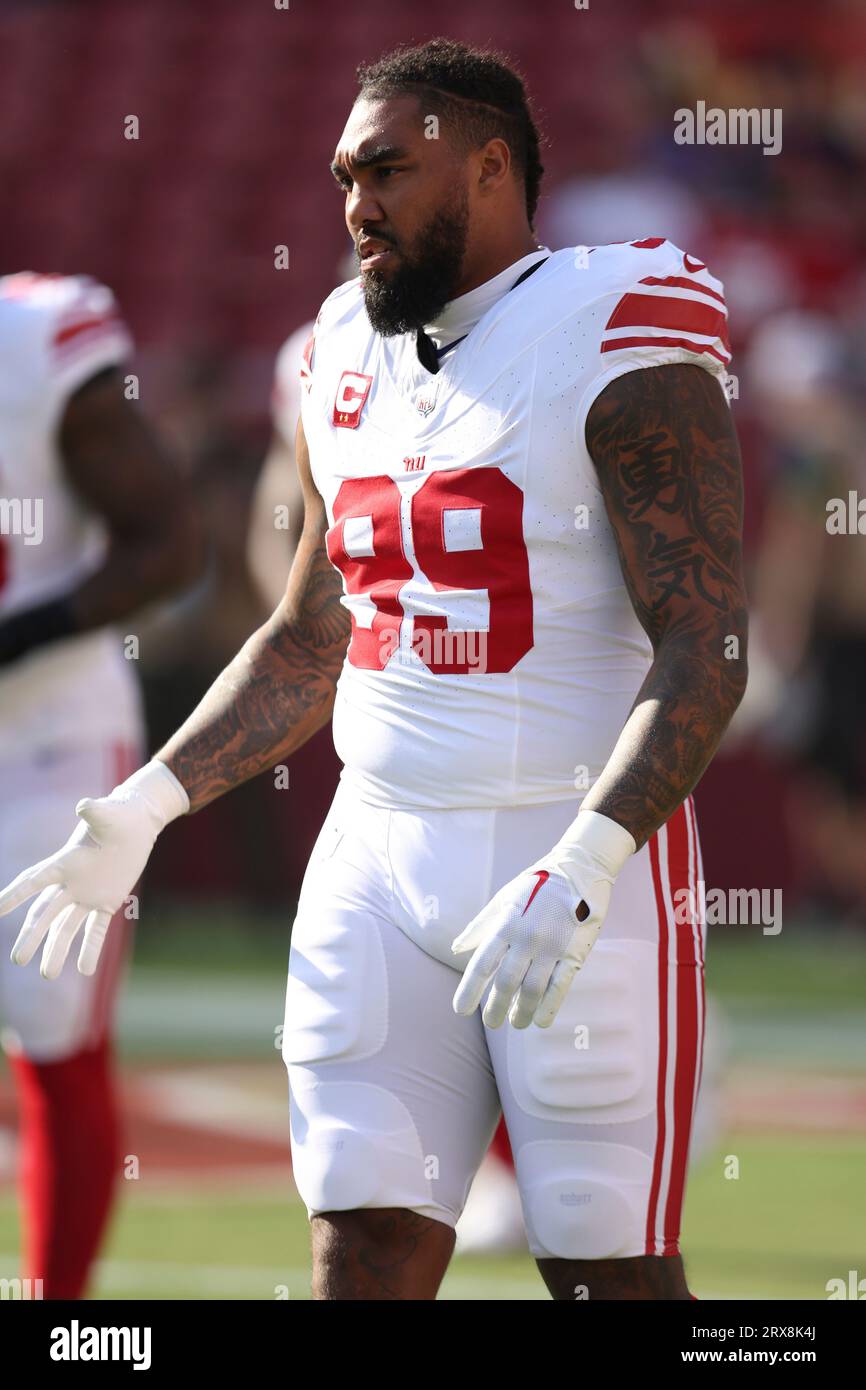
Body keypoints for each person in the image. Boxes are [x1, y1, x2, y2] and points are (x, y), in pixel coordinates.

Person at [0, 39, 747, 1300]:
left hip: (567, 860)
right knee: (360, 1249)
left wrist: (586, 860)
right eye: (346, 173)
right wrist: (147, 802)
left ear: (494, 165)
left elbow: (703, 640)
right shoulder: (340, 344)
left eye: (391, 169)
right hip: (374, 853)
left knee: (602, 1270)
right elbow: (308, 635)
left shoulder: (618, 318)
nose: (355, 204)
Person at [0, 270, 201, 1298]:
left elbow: (168, 539)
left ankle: (56, 1311)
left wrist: (20, 632)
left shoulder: (39, 342)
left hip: (46, 745)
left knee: (52, 1025)